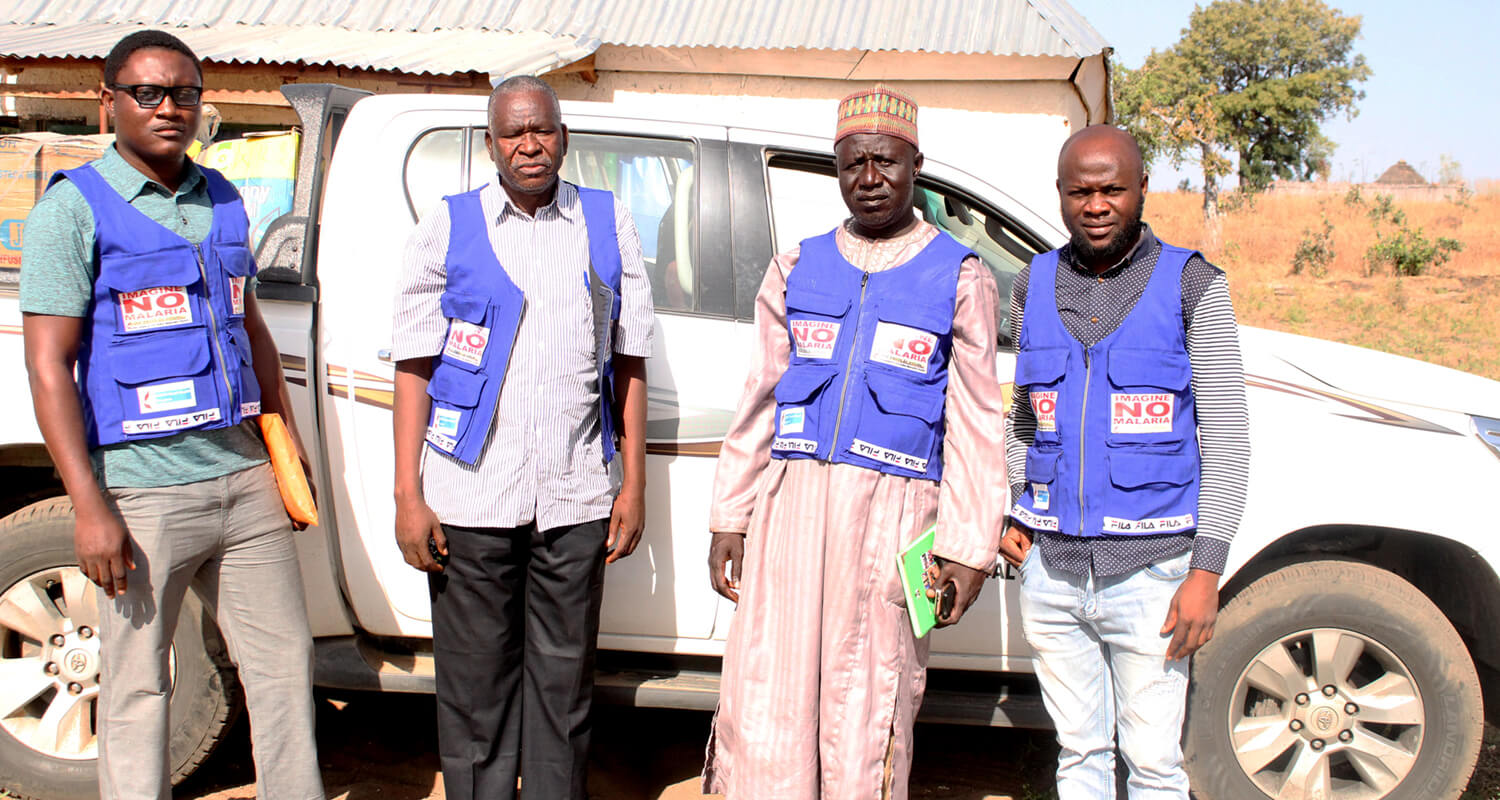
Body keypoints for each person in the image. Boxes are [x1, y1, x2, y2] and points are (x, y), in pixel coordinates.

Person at [20, 30, 323, 800]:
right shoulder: (72, 209)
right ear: (109, 102)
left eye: (184, 93)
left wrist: (284, 443)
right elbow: (48, 367)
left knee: (285, 670)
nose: (169, 108)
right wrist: (90, 506)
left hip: (246, 483)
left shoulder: (222, 196)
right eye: (148, 93)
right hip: (143, 494)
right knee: (137, 686)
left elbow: (248, 325)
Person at [703, 85, 1009, 799]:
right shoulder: (795, 266)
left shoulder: (961, 276)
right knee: (771, 695)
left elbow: (976, 421)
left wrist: (968, 547)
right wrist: (729, 516)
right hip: (790, 513)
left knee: (869, 704)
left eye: (886, 162)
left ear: (916, 167)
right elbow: (759, 401)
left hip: (893, 520)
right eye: (853, 164)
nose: (869, 178)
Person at [390, 75, 654, 800]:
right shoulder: (447, 226)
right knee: (475, 697)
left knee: (564, 697)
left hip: (575, 498)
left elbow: (629, 358)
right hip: (471, 498)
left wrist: (633, 485)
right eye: (513, 133)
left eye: (541, 130)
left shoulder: (608, 221)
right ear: (491, 144)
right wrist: (408, 495)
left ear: (564, 137)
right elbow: (413, 366)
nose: (529, 145)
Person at [998, 125, 1251, 798]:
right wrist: (1019, 503)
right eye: (1080, 192)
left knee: (1154, 766)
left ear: (1142, 188)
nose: (1097, 205)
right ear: (1060, 194)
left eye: (1112, 189)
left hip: (1154, 576)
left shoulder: (1193, 284)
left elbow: (1227, 439)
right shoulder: (1031, 284)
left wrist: (1206, 570)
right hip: (1053, 575)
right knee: (1078, 754)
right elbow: (1024, 418)